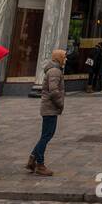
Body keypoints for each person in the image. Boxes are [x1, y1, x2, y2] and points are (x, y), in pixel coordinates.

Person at [27, 48, 66, 176]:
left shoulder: (54, 70)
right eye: (64, 57)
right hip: (50, 108)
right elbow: (54, 90)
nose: (66, 59)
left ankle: (33, 158)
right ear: (59, 58)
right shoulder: (55, 71)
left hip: (49, 108)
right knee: (47, 135)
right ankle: (40, 164)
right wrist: (60, 103)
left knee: (46, 135)